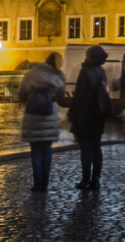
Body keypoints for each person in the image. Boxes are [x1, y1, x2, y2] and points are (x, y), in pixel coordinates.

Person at [17, 53, 71, 192]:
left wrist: (26, 98)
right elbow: (61, 96)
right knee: (46, 151)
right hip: (49, 113)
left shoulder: (31, 73)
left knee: (35, 150)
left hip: (32, 113)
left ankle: (37, 184)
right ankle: (45, 184)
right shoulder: (58, 75)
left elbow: (21, 92)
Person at [67, 45, 111, 190]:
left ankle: (85, 180)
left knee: (85, 149)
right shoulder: (101, 71)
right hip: (98, 115)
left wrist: (72, 113)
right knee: (96, 148)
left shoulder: (85, 71)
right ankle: (95, 180)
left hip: (85, 115)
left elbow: (79, 95)